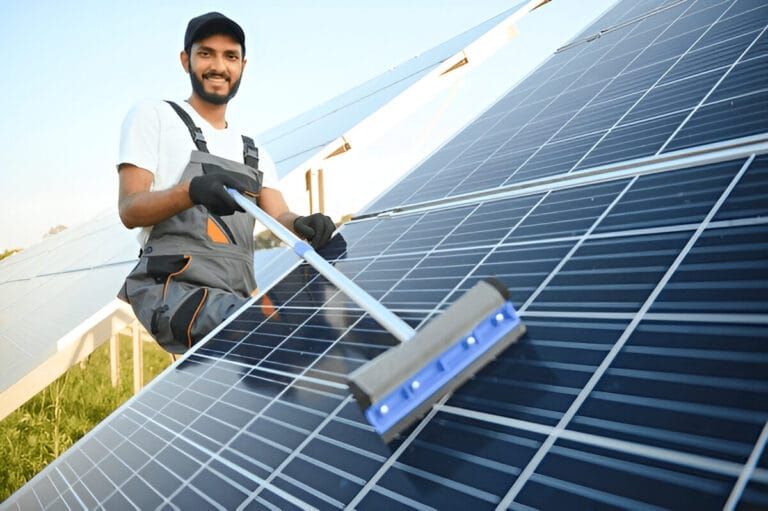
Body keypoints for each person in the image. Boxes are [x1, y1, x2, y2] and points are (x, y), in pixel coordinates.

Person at [116, 12, 335, 353]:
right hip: (174, 290)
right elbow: (129, 209)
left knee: (317, 329)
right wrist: (190, 192)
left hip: (236, 297)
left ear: (242, 65)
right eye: (206, 53)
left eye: (230, 56)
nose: (219, 66)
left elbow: (279, 217)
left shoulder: (254, 150)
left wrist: (304, 224)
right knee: (275, 334)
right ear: (185, 60)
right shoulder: (155, 115)